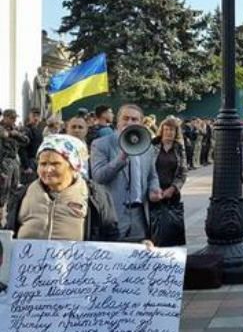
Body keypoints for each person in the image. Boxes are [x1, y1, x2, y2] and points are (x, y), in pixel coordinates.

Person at [5, 134, 119, 242]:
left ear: (74, 166)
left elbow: (109, 236)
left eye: (55, 164)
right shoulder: (22, 195)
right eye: (43, 164)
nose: (48, 170)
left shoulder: (95, 197)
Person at [91, 104, 162, 242]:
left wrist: (154, 189)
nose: (129, 122)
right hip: (113, 215)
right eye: (125, 118)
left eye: (134, 119)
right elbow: (98, 177)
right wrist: (121, 158)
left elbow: (152, 176)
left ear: (141, 123)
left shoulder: (147, 147)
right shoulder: (101, 144)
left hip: (140, 215)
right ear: (118, 121)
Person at [151, 116, 188, 246]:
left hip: (172, 193)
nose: (169, 132)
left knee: (172, 228)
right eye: (166, 129)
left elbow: (183, 171)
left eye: (172, 130)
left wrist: (173, 188)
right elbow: (146, 169)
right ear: (162, 130)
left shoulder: (179, 148)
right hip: (154, 192)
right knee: (154, 229)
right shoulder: (153, 145)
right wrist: (154, 188)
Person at [0, 109, 29, 220]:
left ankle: (10, 215)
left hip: (14, 162)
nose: (14, 120)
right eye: (12, 118)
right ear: (5, 117)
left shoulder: (15, 129)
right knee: (3, 190)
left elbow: (26, 141)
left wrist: (16, 134)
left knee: (14, 188)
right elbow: (4, 135)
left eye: (15, 118)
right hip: (3, 162)